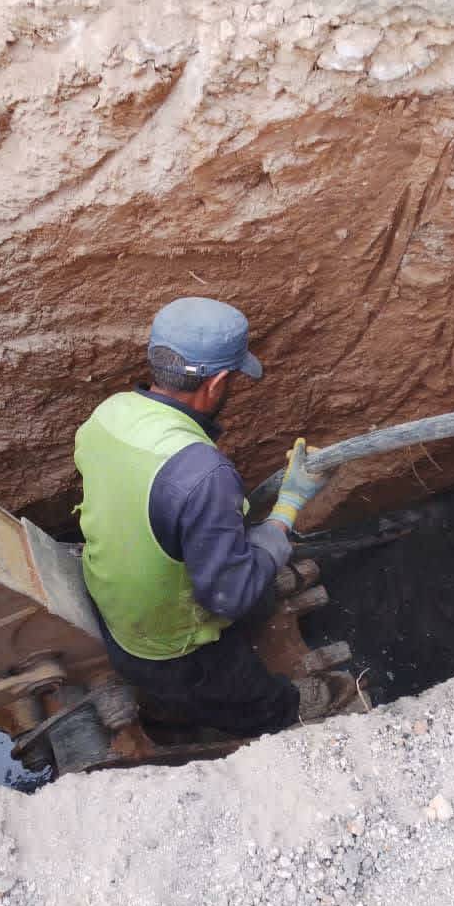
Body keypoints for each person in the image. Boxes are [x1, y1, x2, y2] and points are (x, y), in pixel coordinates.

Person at [74, 296, 342, 736]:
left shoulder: (110, 413)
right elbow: (227, 598)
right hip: (166, 648)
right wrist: (289, 504)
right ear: (216, 382)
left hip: (109, 597)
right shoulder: (204, 474)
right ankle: (284, 713)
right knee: (248, 695)